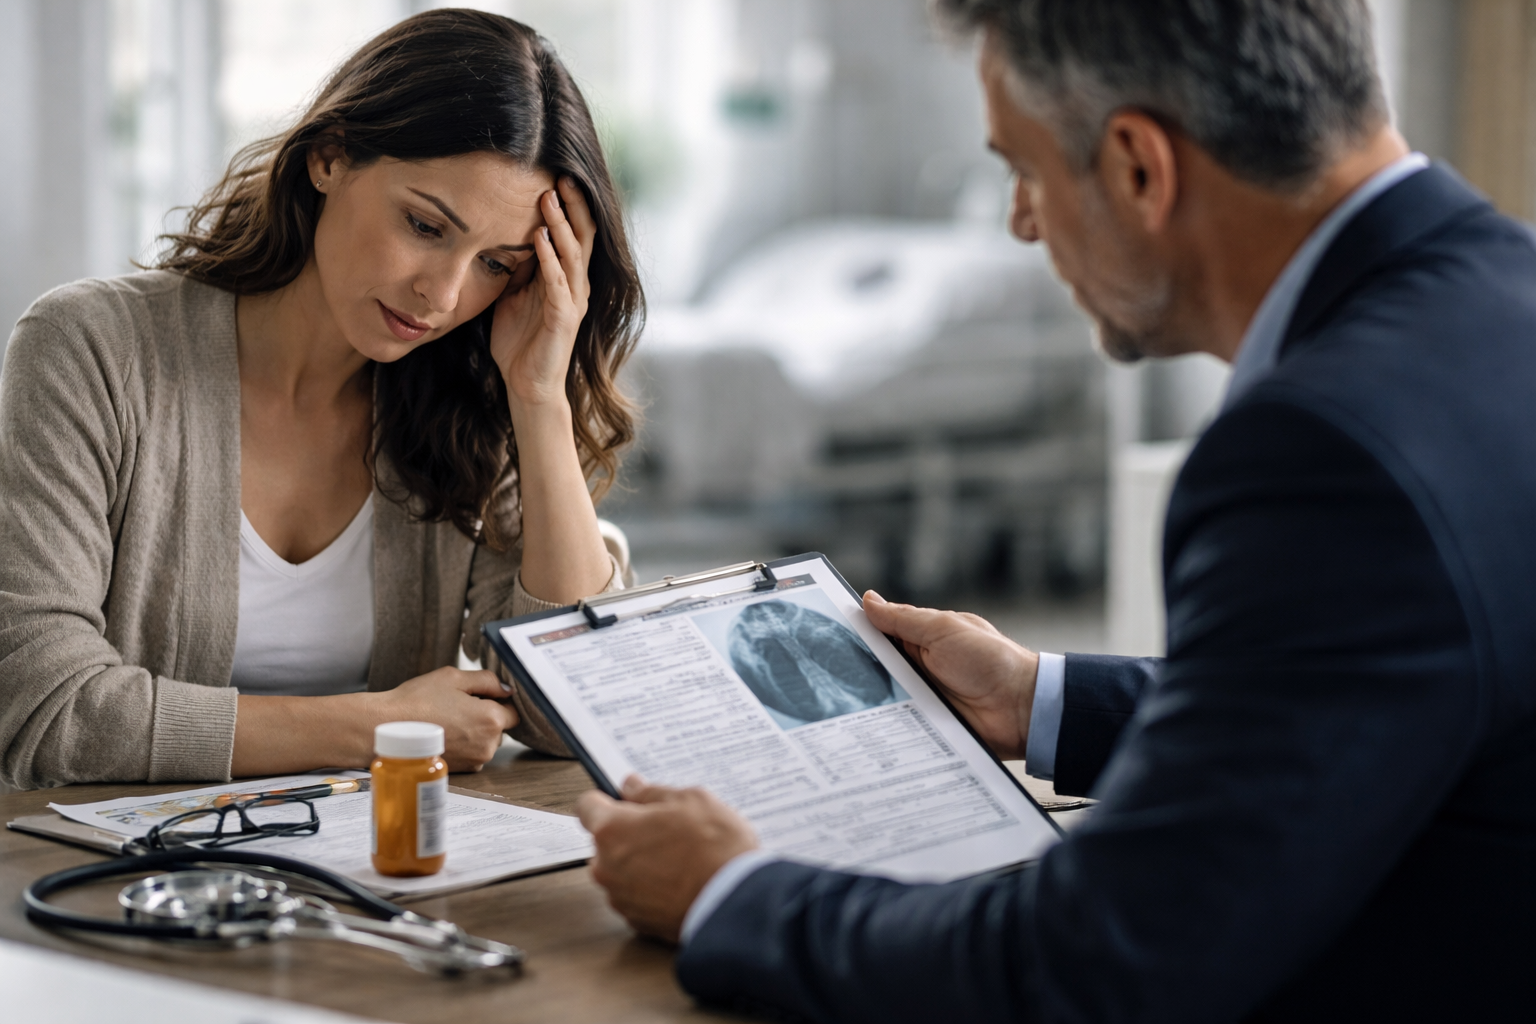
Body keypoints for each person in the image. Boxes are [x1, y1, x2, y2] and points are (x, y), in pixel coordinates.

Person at [575, 1, 1536, 1020]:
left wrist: (731, 890)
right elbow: (1357, 699)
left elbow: (1096, 962)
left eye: (1022, 170)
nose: (1019, 222)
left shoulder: (1316, 449)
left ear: (1136, 166)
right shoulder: (1502, 287)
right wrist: (1036, 695)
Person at [0, 10, 640, 790]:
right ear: (330, 157)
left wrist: (539, 398)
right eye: (425, 225)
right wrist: (378, 727)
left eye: (497, 265)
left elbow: (575, 710)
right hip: (126, 889)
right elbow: (41, 707)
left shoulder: (474, 399)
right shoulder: (94, 349)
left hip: (382, 874)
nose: (441, 294)